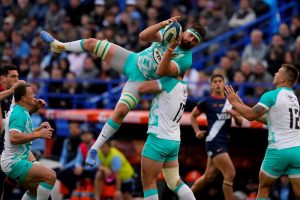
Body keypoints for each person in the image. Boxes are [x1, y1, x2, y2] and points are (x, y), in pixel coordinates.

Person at [40, 16, 206, 166]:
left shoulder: (186, 59)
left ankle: (95, 148)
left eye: (195, 40)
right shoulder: (173, 32)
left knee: (120, 112)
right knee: (92, 43)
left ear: (196, 44)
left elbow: (162, 72)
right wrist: (162, 24)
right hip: (132, 60)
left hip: (141, 80)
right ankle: (59, 46)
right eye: (190, 35)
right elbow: (143, 37)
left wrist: (170, 49)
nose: (190, 39)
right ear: (185, 31)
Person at [224, 64, 300, 199]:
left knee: (264, 187)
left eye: (278, 71)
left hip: (278, 150)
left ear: (283, 78)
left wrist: (234, 103)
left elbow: (251, 115)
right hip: (297, 151)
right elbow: (269, 119)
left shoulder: (271, 95)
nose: (275, 74)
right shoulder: (293, 98)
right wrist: (242, 105)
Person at [138, 75, 196, 200]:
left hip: (158, 138)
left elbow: (141, 88)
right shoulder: (183, 85)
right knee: (174, 181)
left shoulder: (168, 81)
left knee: (148, 183)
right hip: (173, 139)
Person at [190, 74, 243, 200]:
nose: (218, 83)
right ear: (211, 85)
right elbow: (192, 116)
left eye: (220, 81)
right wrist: (197, 131)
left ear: (224, 84)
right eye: (215, 81)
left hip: (224, 142)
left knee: (208, 176)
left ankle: (185, 196)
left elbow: (240, 123)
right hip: (213, 141)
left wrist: (234, 115)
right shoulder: (207, 102)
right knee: (230, 173)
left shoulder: (230, 102)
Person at [1, 84, 56, 200]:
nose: (35, 95)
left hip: (15, 160)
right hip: (14, 161)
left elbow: (22, 134)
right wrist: (38, 134)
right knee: (51, 176)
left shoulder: (22, 110)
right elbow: (14, 138)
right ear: (24, 98)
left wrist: (38, 129)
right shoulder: (19, 114)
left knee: (35, 191)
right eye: (32, 94)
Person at [0, 64, 26, 199]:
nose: (17, 79)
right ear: (2, 78)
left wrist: (34, 105)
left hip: (7, 141)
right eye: (13, 76)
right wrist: (12, 90)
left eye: (18, 76)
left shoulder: (13, 97)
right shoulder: (7, 93)